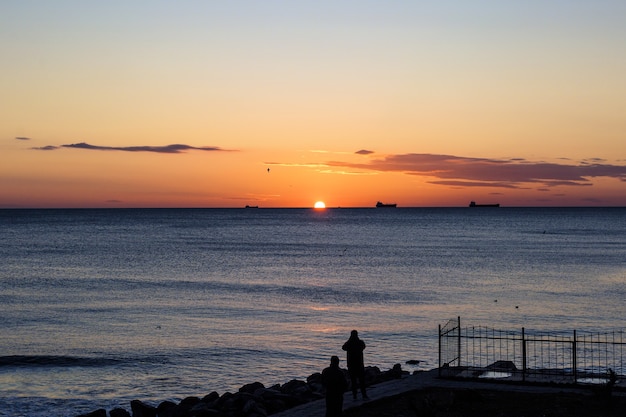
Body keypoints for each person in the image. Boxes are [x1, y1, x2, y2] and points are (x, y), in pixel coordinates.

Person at [342, 329, 369, 400]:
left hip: (351, 365)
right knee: (362, 381)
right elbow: (364, 346)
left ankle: (355, 396)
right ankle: (364, 395)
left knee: (353, 382)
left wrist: (349, 341)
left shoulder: (349, 343)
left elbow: (343, 347)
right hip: (359, 364)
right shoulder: (360, 342)